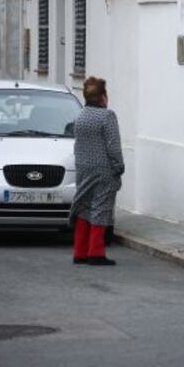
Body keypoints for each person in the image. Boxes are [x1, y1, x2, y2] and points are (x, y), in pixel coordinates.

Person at [70, 77, 125, 266]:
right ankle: (96, 252)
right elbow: (113, 146)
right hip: (103, 170)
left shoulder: (81, 116)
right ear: (103, 97)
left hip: (83, 168)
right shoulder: (107, 116)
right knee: (100, 208)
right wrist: (119, 166)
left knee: (84, 207)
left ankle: (80, 252)